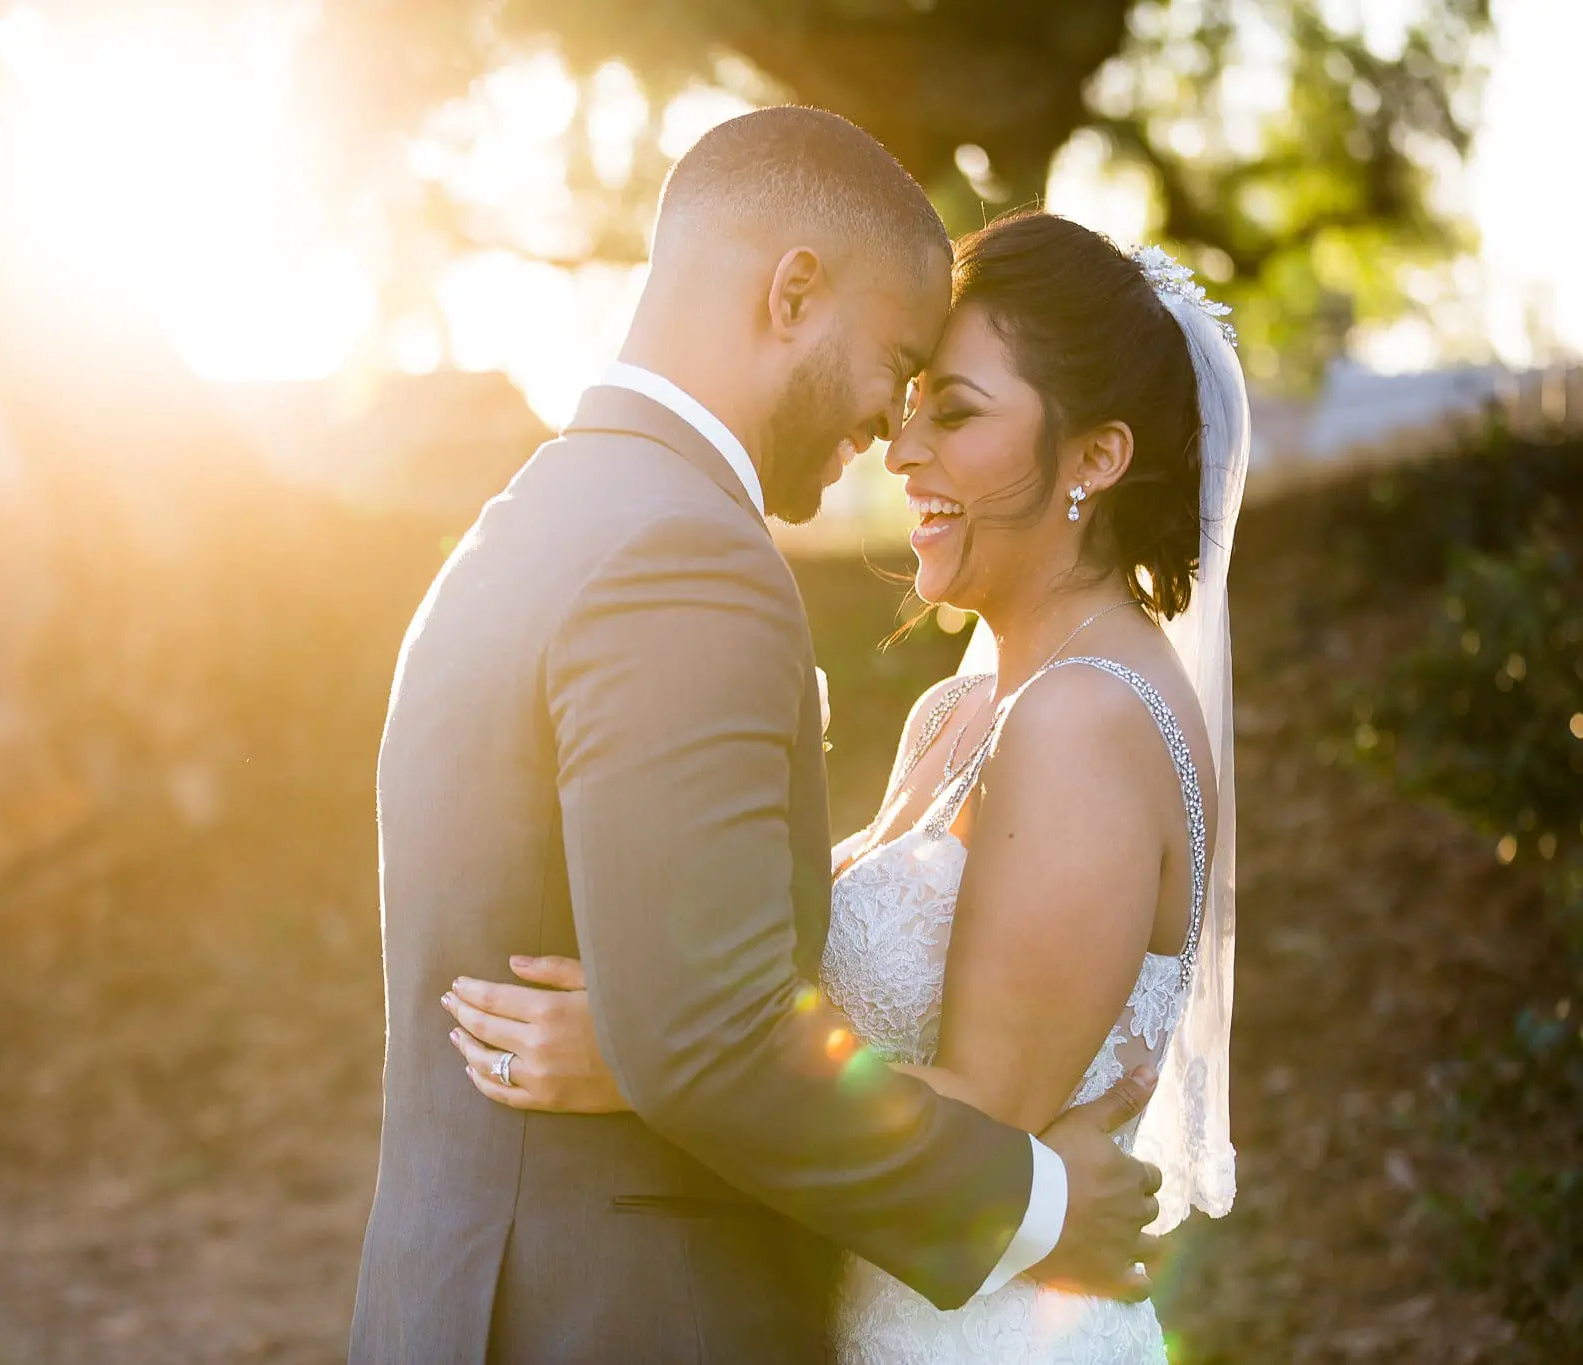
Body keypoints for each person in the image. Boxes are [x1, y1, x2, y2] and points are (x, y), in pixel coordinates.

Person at [351, 107, 1177, 1365]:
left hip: (462, 1299)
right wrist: (1041, 1203)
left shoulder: (518, 529)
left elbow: (695, 1020)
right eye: (895, 366)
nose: (888, 433)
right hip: (614, 1318)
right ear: (793, 292)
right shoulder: (686, 555)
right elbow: (712, 1037)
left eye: (940, 402)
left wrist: (645, 1040)